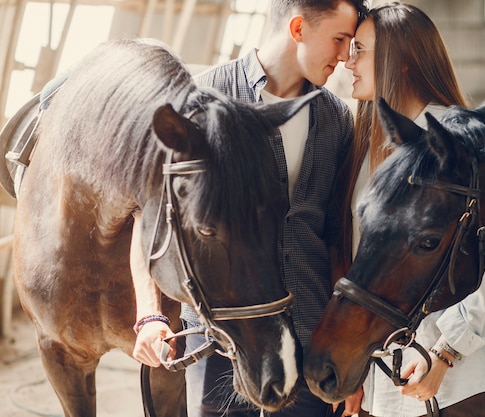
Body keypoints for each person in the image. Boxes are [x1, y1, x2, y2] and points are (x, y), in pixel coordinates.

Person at [131, 1, 369, 416]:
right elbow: (150, 218)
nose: (346, 55)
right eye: (339, 39)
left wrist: (348, 357)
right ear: (298, 28)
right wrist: (150, 315)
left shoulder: (335, 119)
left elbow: (338, 242)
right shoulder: (200, 102)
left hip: (312, 333)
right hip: (222, 337)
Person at [334, 3, 485, 417]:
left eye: (360, 49)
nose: (348, 60)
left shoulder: (458, 139)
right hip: (385, 385)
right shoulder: (364, 148)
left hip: (454, 386)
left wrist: (445, 354)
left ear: (404, 60)